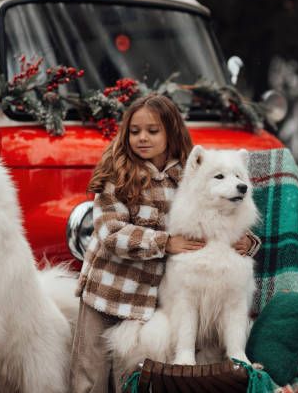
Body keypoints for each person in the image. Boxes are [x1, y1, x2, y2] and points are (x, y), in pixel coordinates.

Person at [70, 94, 259, 393]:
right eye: (135, 131)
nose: (142, 138)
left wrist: (245, 241)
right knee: (89, 374)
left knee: (131, 375)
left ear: (171, 132)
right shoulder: (117, 177)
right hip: (107, 290)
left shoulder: (187, 176)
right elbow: (110, 233)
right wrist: (165, 242)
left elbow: (214, 219)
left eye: (152, 131)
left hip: (147, 298)